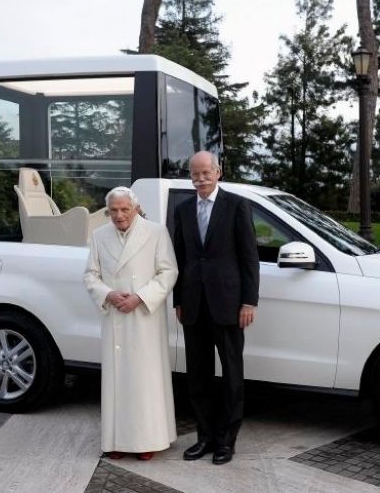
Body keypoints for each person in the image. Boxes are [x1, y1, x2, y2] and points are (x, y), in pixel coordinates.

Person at [172, 151, 260, 465]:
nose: (200, 179)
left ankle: (227, 441)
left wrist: (249, 301)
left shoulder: (237, 205)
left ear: (218, 172)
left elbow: (250, 258)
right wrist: (178, 300)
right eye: (195, 174)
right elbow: (179, 259)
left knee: (233, 375)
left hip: (230, 305)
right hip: (193, 306)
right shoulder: (182, 209)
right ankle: (205, 437)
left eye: (206, 172)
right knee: (198, 377)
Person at [83, 186, 179, 461]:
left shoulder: (156, 232)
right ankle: (116, 440)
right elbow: (90, 275)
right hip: (115, 314)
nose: (119, 215)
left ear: (135, 208)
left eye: (125, 209)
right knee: (117, 381)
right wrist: (108, 294)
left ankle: (147, 439)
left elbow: (168, 271)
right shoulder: (99, 236)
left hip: (143, 316)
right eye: (113, 210)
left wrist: (140, 297)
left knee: (144, 381)